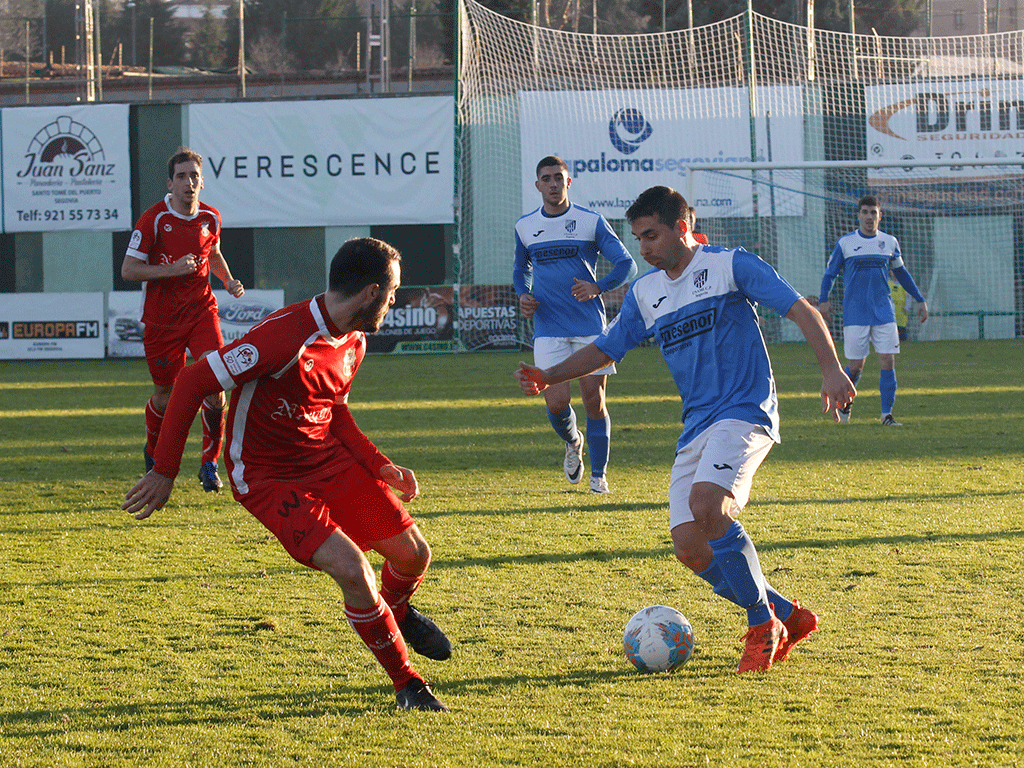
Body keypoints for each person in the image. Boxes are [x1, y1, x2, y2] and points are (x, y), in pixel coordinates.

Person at [515, 186, 856, 673]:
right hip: (696, 424)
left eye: (651, 236)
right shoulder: (645, 293)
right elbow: (608, 348)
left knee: (708, 505)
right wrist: (549, 376)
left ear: (680, 227)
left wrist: (831, 369)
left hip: (745, 411)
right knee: (690, 547)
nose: (644, 248)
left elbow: (801, 310)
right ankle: (786, 613)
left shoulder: (730, 265)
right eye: (637, 239)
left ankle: (763, 624)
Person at [123, 238, 452, 712]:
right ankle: (408, 684)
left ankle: (394, 612)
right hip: (267, 475)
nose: (395, 301)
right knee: (354, 569)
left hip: (326, 460)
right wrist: (164, 470)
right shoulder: (285, 336)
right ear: (370, 291)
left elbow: (334, 410)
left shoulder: (354, 340)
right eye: (393, 291)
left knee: (414, 554)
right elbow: (194, 381)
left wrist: (378, 464)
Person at [121, 147, 245, 492]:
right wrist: (170, 270)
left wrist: (227, 280)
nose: (189, 182)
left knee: (215, 383)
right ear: (170, 183)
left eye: (194, 176)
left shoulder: (211, 217)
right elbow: (129, 270)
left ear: (202, 182)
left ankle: (209, 462)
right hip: (162, 322)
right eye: (181, 176)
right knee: (165, 394)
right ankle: (152, 452)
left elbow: (214, 252)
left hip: (202, 312)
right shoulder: (154, 219)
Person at [513, 155, 638, 494]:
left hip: (589, 326)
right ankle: (573, 442)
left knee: (594, 401)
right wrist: (523, 294)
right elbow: (520, 269)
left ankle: (599, 476)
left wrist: (599, 286)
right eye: (546, 178)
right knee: (554, 401)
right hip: (548, 327)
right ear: (538, 185)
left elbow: (627, 265)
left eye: (558, 177)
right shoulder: (526, 227)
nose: (553, 183)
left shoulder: (590, 221)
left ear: (569, 183)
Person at [818, 195, 928, 426]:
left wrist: (920, 299)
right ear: (859, 215)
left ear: (880, 216)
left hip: (884, 312)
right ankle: (845, 404)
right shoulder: (846, 243)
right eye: (865, 212)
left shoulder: (889, 242)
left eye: (873, 212)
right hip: (855, 312)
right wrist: (823, 301)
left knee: (887, 361)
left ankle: (886, 415)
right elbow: (830, 274)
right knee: (856, 365)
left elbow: (902, 274)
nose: (869, 217)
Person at [889, 270, 912, 342]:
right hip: (889, 311)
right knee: (890, 330)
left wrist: (907, 307)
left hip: (901, 311)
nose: (894, 273)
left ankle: (903, 343)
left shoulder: (904, 283)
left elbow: (908, 296)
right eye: (892, 271)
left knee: (901, 329)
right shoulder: (887, 282)